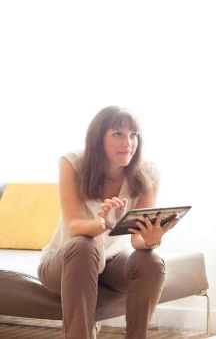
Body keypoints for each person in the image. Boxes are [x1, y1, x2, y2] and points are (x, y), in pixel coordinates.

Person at [37, 106, 178, 338]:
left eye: (133, 135)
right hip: (64, 262)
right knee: (84, 245)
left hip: (111, 262)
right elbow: (74, 227)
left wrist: (151, 239)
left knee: (151, 261)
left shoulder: (148, 172)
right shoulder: (73, 163)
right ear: (98, 138)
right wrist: (104, 223)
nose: (128, 143)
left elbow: (136, 239)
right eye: (118, 134)